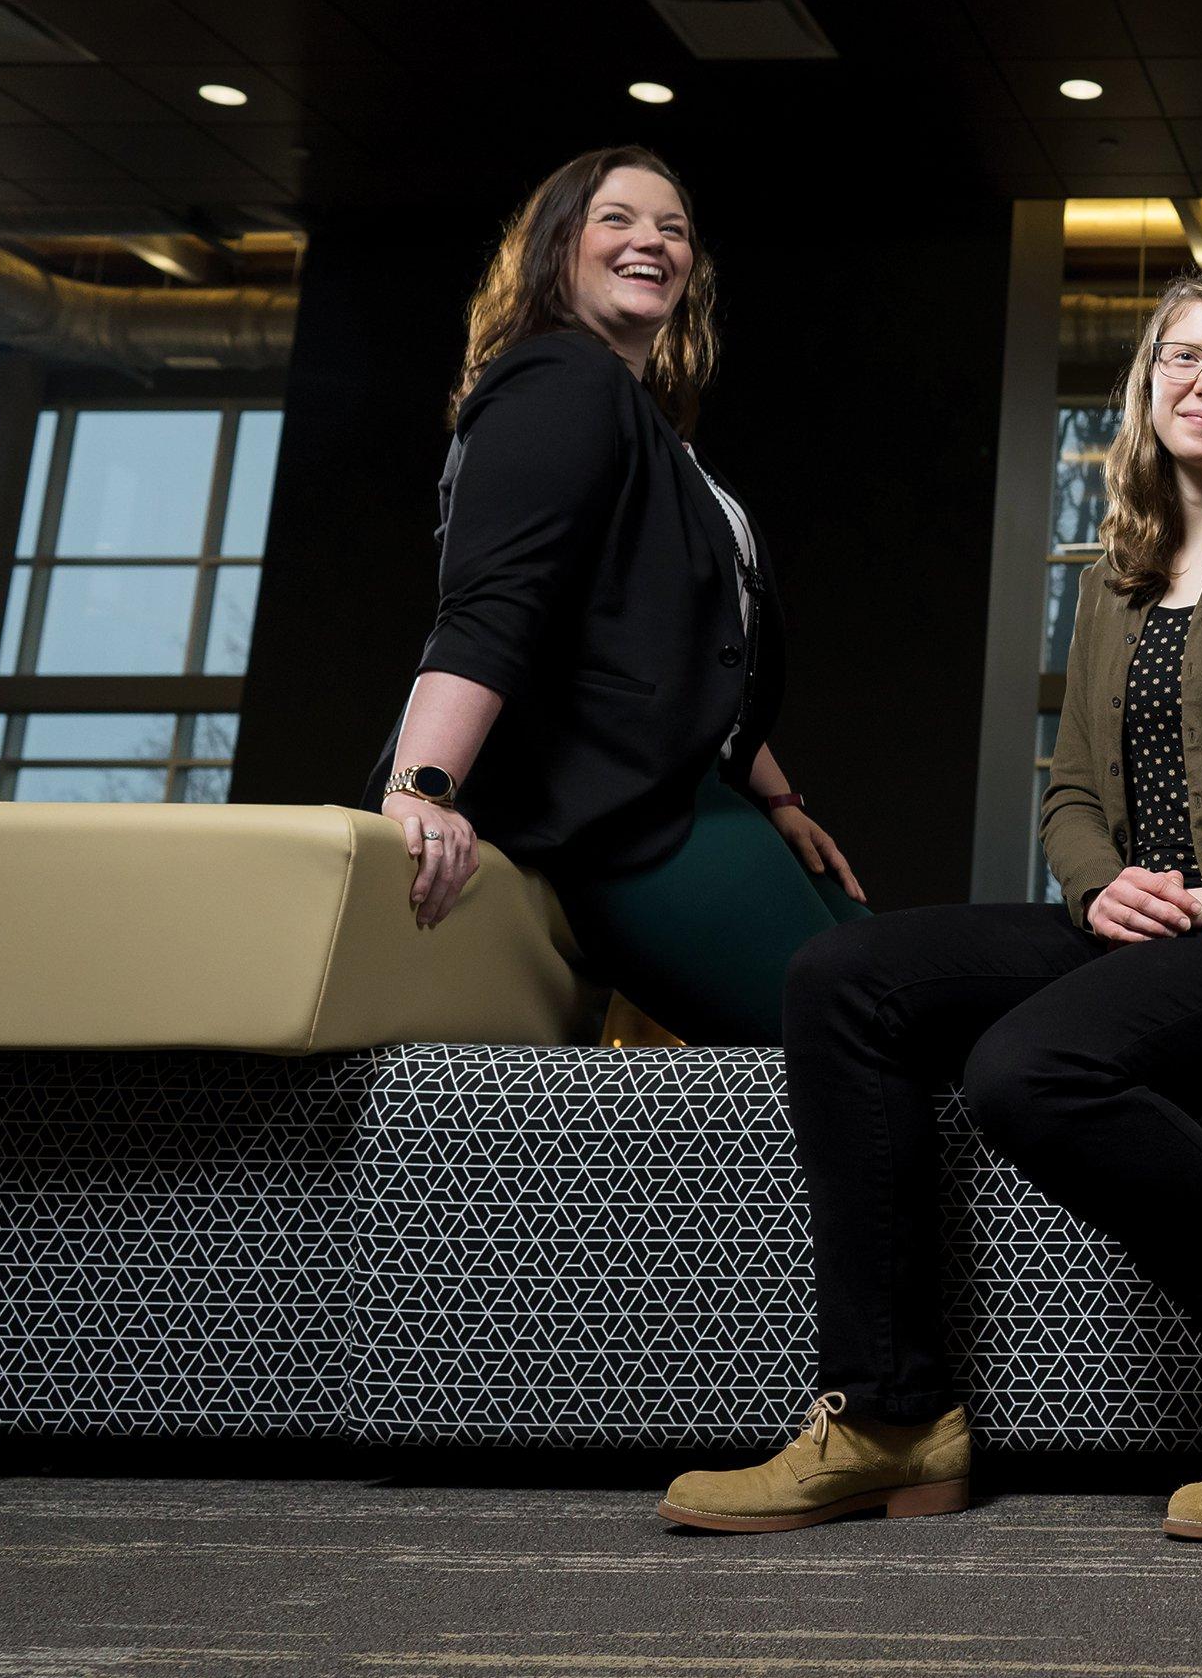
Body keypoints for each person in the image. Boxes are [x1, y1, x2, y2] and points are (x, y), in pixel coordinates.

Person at [658, 269, 1202, 1541]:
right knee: (842, 978)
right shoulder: (1113, 578)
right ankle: (892, 1416)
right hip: (1137, 923)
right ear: (1147, 386)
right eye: (1183, 358)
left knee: (1028, 1070)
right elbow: (1074, 795)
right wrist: (1099, 883)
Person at [372, 145, 868, 1048]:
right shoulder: (558, 382)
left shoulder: (642, 419)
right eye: (619, 220)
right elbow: (492, 608)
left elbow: (690, 651)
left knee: (892, 991)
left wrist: (782, 802)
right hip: (613, 811)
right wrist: (423, 789)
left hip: (684, 791)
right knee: (865, 1027)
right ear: (557, 247)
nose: (653, 242)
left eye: (673, 229)